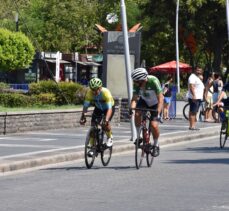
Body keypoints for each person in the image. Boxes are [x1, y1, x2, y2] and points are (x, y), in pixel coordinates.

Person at [129, 68, 164, 157]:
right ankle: (139, 136)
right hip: (144, 101)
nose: (135, 84)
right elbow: (134, 99)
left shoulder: (153, 81)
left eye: (137, 82)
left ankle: (156, 145)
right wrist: (131, 108)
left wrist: (158, 113)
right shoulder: (137, 84)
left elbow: (161, 98)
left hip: (155, 103)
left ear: (143, 80)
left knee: (154, 125)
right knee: (137, 113)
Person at [80, 78, 115, 148]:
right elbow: (85, 107)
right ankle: (92, 147)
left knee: (105, 123)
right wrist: (83, 116)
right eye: (92, 89)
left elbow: (109, 109)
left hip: (108, 109)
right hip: (98, 108)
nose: (94, 91)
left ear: (100, 87)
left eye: (96, 89)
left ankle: (110, 138)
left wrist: (106, 120)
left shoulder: (105, 92)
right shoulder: (89, 93)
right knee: (93, 125)